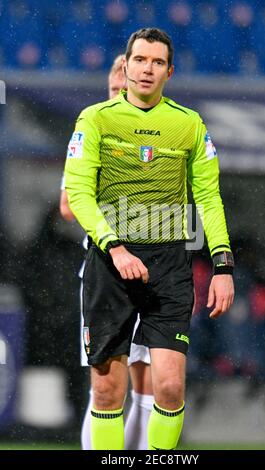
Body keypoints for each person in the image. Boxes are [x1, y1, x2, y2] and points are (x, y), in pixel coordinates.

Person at [64, 28, 234, 450]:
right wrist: (115, 247)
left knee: (169, 387)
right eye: (140, 60)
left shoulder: (188, 124)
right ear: (127, 65)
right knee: (106, 391)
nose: (147, 69)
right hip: (109, 265)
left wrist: (222, 266)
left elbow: (209, 198)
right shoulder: (95, 119)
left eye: (157, 62)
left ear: (169, 71)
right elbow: (78, 196)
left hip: (169, 264)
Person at [60, 55, 154, 451]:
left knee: (148, 388)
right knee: (105, 388)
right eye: (113, 91)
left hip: (153, 274)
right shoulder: (90, 134)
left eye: (124, 90)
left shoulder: (158, 137)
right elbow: (68, 205)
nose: (118, 97)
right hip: (103, 274)